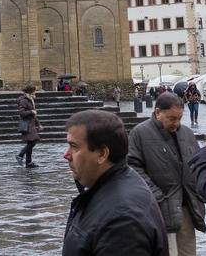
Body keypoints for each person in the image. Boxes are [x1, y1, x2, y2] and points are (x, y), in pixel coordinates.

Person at [62, 109, 168, 256]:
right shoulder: (106, 189)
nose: (66, 155)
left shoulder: (122, 221)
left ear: (101, 154)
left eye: (74, 147)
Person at [128, 92, 206, 256]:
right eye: (171, 118)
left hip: (187, 207)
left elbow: (197, 163)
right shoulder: (139, 133)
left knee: (188, 252)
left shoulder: (186, 133)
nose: (176, 123)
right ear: (158, 113)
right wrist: (156, 196)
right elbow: (133, 169)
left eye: (179, 118)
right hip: (159, 208)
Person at [16, 85, 43, 168]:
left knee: (31, 142)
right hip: (27, 125)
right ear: (31, 92)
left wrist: (38, 124)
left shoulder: (30, 99)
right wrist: (31, 112)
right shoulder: (24, 100)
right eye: (35, 91)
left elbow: (33, 115)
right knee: (33, 141)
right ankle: (20, 155)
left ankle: (28, 163)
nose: (35, 92)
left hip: (31, 124)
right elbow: (22, 113)